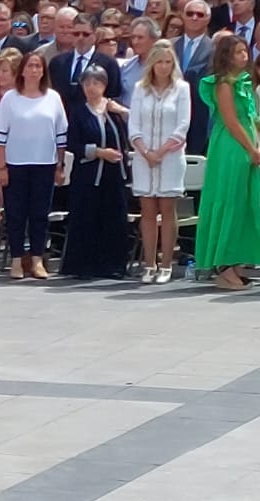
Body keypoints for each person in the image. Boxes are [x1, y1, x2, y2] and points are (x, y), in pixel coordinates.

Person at [0, 51, 65, 279]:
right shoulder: (10, 99)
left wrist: (60, 166)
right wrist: (1, 168)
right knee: (16, 214)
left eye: (38, 66)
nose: (34, 70)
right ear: (22, 70)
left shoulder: (53, 98)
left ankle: (37, 259)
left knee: (39, 214)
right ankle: (16, 260)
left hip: (44, 164)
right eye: (30, 66)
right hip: (15, 165)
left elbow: (61, 136)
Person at [195, 35, 260, 290]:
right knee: (231, 198)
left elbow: (252, 117)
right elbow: (231, 121)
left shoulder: (244, 82)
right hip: (232, 147)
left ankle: (236, 262)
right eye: (238, 52)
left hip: (247, 143)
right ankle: (223, 264)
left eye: (245, 51)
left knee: (246, 202)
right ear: (227, 56)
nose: (244, 56)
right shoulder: (224, 84)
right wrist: (251, 149)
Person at [61, 64, 131, 279]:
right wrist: (99, 152)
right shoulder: (78, 112)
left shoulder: (113, 110)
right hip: (88, 176)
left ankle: (113, 265)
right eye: (87, 83)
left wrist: (123, 112)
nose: (91, 87)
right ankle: (84, 265)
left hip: (114, 175)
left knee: (114, 220)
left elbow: (132, 131)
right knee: (87, 219)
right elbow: (73, 143)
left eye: (96, 83)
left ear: (105, 85)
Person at [129, 39, 190, 284]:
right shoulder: (140, 89)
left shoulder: (182, 89)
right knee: (147, 210)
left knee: (167, 209)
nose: (164, 67)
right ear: (152, 64)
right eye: (159, 62)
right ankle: (149, 263)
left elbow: (183, 125)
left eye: (168, 62)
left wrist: (161, 151)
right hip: (144, 157)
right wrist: (146, 151)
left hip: (171, 157)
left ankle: (166, 264)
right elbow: (133, 125)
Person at [50, 14, 123, 110]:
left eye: (86, 34)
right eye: (76, 34)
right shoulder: (57, 63)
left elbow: (113, 96)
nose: (80, 38)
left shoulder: (109, 64)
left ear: (95, 35)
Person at [176, 0, 214, 153]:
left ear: (208, 19)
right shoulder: (169, 45)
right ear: (183, 16)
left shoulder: (215, 49)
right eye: (190, 13)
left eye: (200, 14)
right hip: (171, 114)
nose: (194, 17)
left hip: (200, 116)